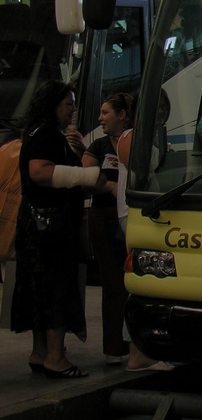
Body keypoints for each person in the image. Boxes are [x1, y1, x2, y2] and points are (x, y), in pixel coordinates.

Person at [10, 81, 106, 379]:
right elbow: (39, 172)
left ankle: (40, 353)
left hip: (36, 224)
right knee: (57, 289)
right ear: (52, 105)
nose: (73, 109)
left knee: (39, 291)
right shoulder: (48, 134)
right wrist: (87, 176)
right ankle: (56, 357)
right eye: (68, 103)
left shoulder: (37, 131)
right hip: (51, 228)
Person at [114, 89, 174, 372]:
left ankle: (145, 349)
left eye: (163, 106)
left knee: (153, 279)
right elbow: (143, 173)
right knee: (142, 280)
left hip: (152, 216)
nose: (160, 111)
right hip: (135, 216)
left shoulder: (156, 138)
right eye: (155, 106)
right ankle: (136, 352)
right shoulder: (131, 137)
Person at [80, 92, 132, 366]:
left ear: (122, 115)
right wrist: (110, 186)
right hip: (104, 221)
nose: (100, 118)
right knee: (113, 284)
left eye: (105, 113)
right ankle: (114, 349)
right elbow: (87, 177)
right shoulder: (98, 146)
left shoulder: (135, 141)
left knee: (136, 284)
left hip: (133, 221)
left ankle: (139, 346)